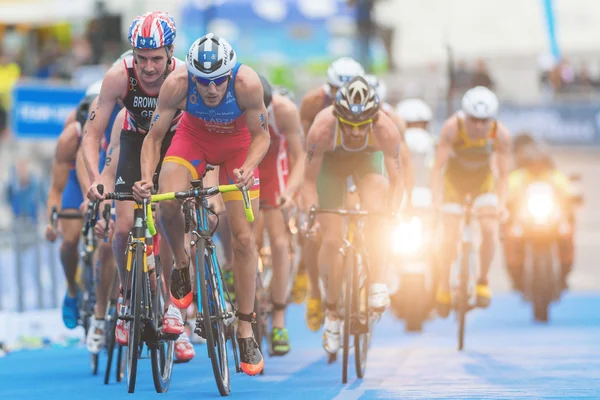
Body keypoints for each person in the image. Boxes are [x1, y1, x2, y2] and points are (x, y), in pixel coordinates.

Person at [132, 33, 270, 376]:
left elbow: (263, 135)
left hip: (238, 149)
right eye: (204, 82)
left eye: (219, 80)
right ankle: (181, 263)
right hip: (193, 140)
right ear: (192, 75)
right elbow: (153, 138)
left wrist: (249, 167)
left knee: (242, 239)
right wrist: (147, 178)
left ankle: (245, 327)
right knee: (167, 201)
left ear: (230, 72)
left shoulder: (247, 83)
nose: (211, 89)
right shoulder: (177, 84)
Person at [82, 11, 194, 362]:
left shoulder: (183, 76)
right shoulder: (119, 76)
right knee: (123, 227)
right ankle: (128, 296)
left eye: (156, 59)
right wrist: (94, 179)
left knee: (167, 216)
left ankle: (177, 311)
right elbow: (91, 135)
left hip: (175, 140)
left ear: (171, 52)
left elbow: (203, 129)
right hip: (133, 140)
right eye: (141, 58)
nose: (148, 68)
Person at [302, 76, 404, 354]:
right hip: (330, 170)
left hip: (366, 164)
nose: (357, 133)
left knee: (378, 209)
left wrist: (393, 213)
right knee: (332, 240)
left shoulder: (386, 129)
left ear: (374, 119)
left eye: (363, 126)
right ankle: (332, 314)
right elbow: (309, 182)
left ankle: (378, 280)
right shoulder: (322, 129)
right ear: (338, 119)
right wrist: (312, 214)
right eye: (350, 126)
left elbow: (396, 182)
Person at [430, 86, 511, 318]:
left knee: (488, 228)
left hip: (482, 182)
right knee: (449, 236)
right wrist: (436, 201)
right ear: (465, 116)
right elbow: (437, 168)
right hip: (454, 184)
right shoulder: (451, 129)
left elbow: (504, 177)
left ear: (491, 120)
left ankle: (482, 280)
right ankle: (444, 284)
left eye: (484, 121)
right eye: (474, 120)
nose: (478, 127)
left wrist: (502, 205)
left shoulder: (501, 135)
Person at [299, 56, 364, 332]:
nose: (342, 97)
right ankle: (315, 291)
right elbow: (308, 150)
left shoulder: (370, 103)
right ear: (328, 88)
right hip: (325, 160)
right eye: (336, 91)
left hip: (357, 161)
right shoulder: (314, 104)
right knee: (317, 233)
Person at [253, 76, 304, 356]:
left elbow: (298, 157)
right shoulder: (233, 108)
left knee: (281, 244)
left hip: (273, 175)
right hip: (246, 174)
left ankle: (280, 321)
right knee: (246, 241)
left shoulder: (284, 111)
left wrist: (292, 193)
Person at [504, 134, 578, 291]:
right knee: (508, 235)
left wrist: (574, 195)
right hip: (525, 221)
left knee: (568, 232)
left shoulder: (553, 176)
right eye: (533, 162)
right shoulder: (519, 176)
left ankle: (565, 269)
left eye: (540, 162)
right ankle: (516, 272)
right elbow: (506, 191)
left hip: (551, 219)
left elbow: (567, 188)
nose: (536, 166)